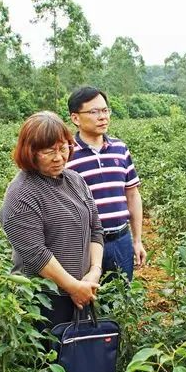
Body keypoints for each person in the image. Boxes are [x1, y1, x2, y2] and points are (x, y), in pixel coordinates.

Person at [0, 111, 104, 328]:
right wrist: (73, 287)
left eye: (63, 148)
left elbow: (95, 228)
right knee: (48, 357)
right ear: (30, 152)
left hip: (83, 292)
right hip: (44, 300)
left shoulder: (75, 180)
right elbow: (36, 254)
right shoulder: (21, 194)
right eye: (49, 151)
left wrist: (94, 272)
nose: (59, 157)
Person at [66, 86, 145, 280]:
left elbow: (132, 195)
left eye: (105, 110)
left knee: (122, 301)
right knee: (86, 302)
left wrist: (137, 240)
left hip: (120, 240)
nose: (103, 117)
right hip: (84, 245)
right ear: (75, 118)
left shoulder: (120, 148)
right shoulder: (66, 154)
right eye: (94, 112)